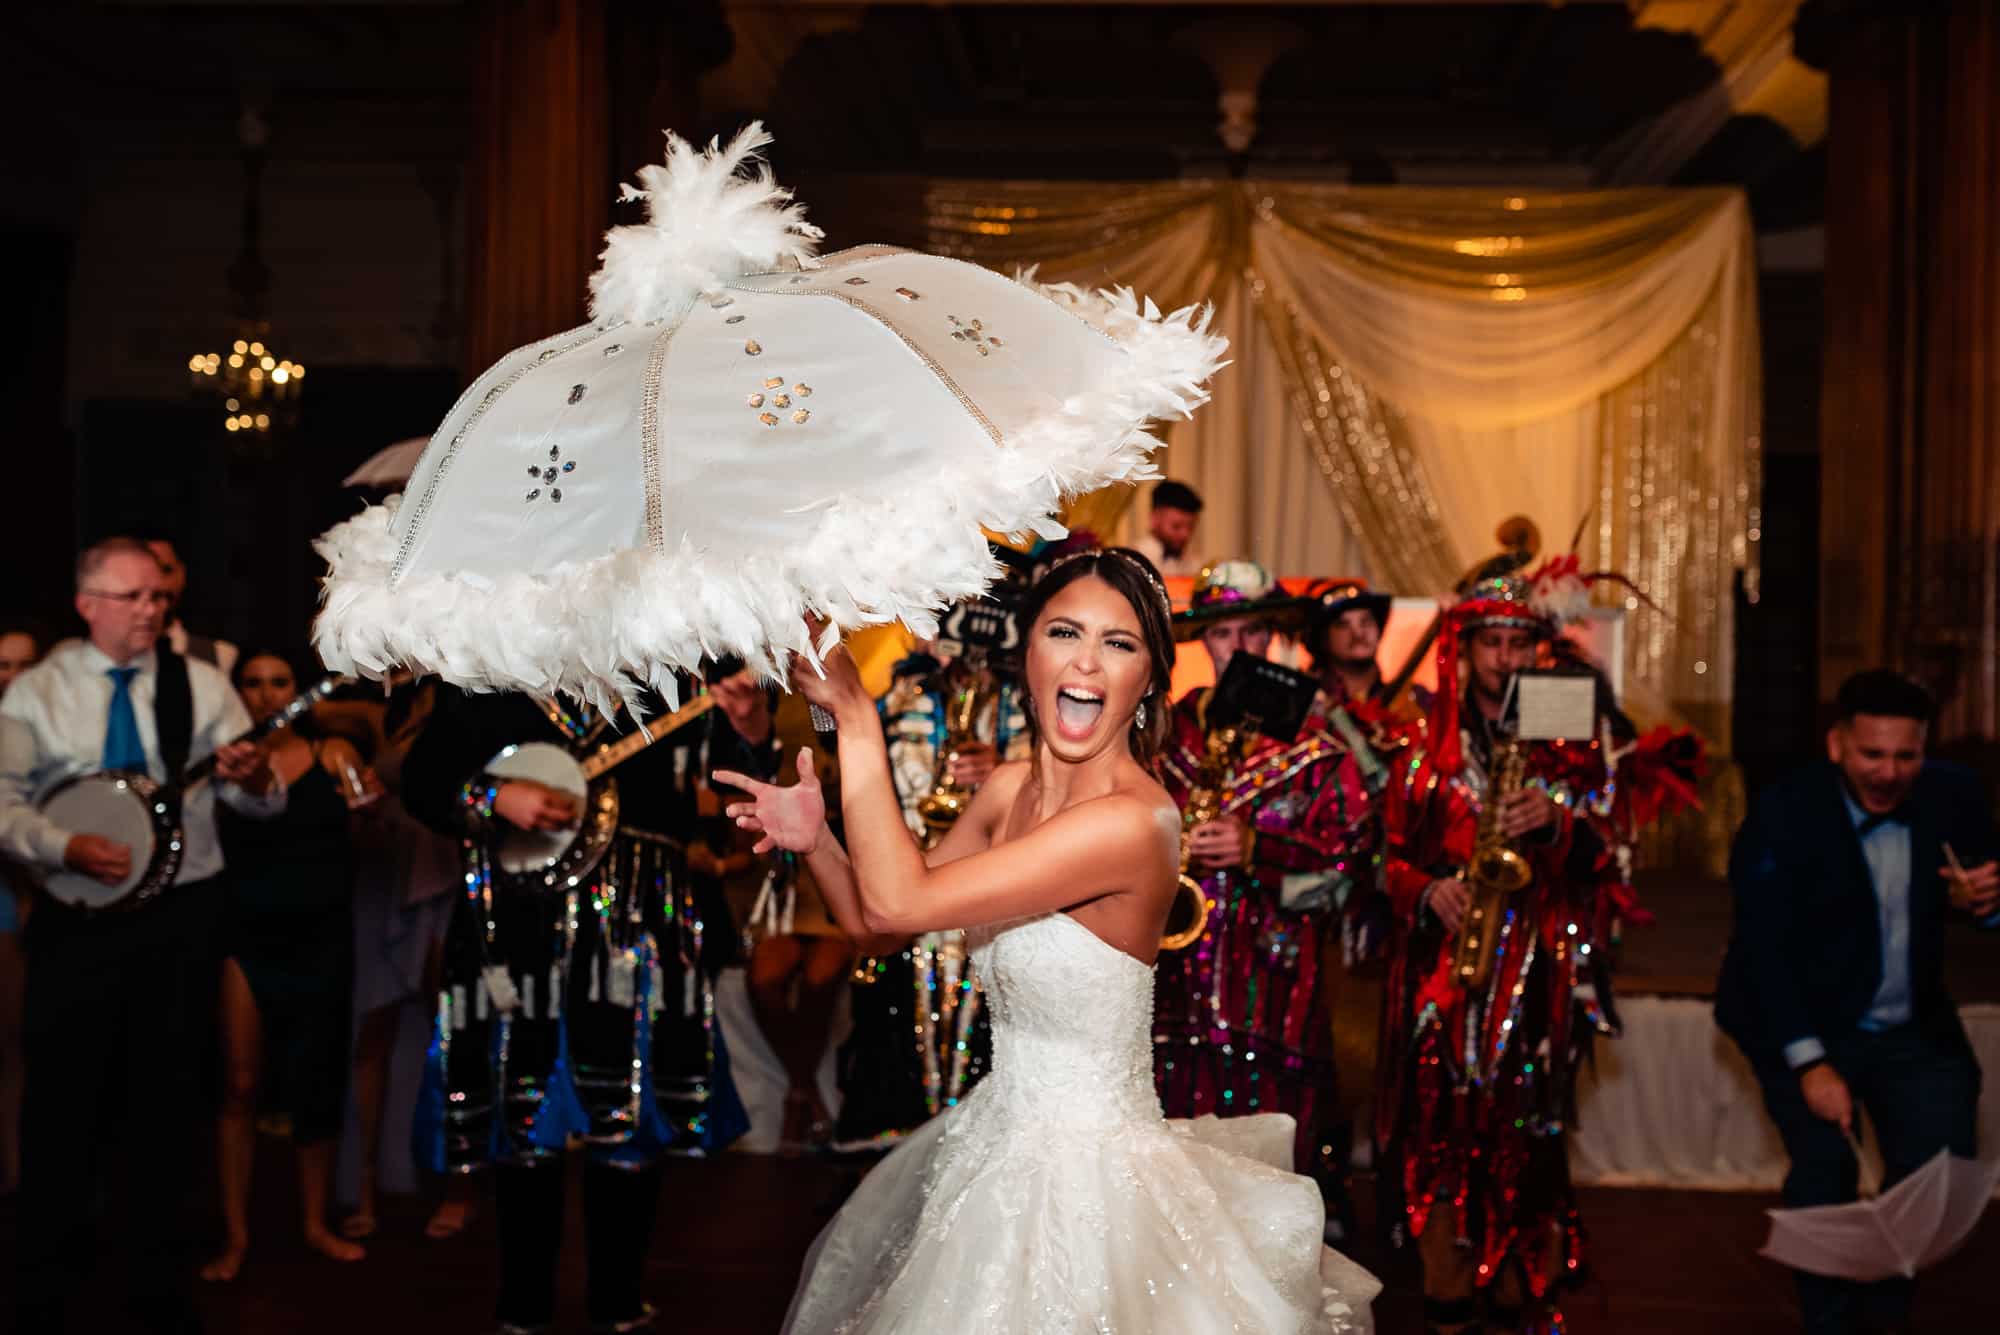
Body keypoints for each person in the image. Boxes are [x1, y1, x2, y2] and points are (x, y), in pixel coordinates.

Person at [722, 547, 1380, 1333]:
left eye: (1121, 643)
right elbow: (878, 923)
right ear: (1027, 653)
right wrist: (820, 840)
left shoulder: (1136, 823)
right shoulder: (1006, 789)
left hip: (1094, 1192)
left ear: (1147, 684)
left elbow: (903, 895)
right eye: (1066, 632)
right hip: (993, 1147)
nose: (1089, 663)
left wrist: (856, 717)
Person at [1375, 560, 1692, 1335]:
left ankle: (1519, 1292)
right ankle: (1447, 1293)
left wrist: (1556, 823)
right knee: (1439, 1135)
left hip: (1538, 969)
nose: (1507, 657)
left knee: (1529, 1139)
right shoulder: (1422, 744)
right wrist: (1425, 891)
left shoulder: (1572, 743)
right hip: (1444, 978)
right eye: (1493, 641)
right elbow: (1382, 859)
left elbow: (1611, 852)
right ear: (1466, 645)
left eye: (1521, 641)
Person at [2, 536, 281, 1334]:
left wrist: (254, 778)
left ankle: (156, 1289)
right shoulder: (39, 694)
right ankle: (46, 1289)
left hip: (180, 916)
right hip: (76, 920)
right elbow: (2, 796)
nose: (153, 610)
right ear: (88, 602)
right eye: (134, 598)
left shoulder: (200, 684)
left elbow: (258, 803)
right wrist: (64, 846)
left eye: (159, 597)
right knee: (62, 1105)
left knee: (165, 1107)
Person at [402, 682, 735, 1335]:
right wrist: (496, 795)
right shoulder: (486, 677)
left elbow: (735, 780)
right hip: (516, 934)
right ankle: (523, 1303)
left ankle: (619, 1298)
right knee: (524, 1114)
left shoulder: (676, 674)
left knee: (629, 1113)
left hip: (636, 931)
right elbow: (422, 780)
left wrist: (747, 728)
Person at [1716, 668, 1997, 1335]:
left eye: (1907, 755)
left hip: (1909, 1023)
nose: (1890, 772)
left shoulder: (1953, 795)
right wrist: (1811, 1063)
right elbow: (1764, 950)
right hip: (1799, 1017)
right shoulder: (1784, 810)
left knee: (1935, 1166)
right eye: (1873, 754)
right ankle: (1831, 1321)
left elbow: (1981, 884)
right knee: (1825, 1171)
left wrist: (1987, 901)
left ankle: (1885, 1312)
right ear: (1838, 745)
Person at [1153, 560, 1382, 1213]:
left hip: (1275, 1003)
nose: (1240, 648)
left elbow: (1354, 870)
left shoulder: (1316, 737)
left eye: (1253, 633)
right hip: (1174, 1001)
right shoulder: (1168, 730)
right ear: (1205, 642)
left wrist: (1261, 849)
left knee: (1269, 1188)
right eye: (1224, 634)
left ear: (1272, 639)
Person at [203, 652, 380, 1280]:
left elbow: (370, 838)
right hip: (245, 937)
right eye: (252, 683)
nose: (266, 694)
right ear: (237, 692)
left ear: (298, 691)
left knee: (317, 1080)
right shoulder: (222, 759)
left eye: (279, 682)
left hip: (322, 936)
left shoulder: (334, 752)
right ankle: (236, 1236)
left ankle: (313, 1222)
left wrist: (366, 808)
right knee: (240, 1085)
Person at [833, 619, 1031, 1149]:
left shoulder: (1025, 701)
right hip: (906, 883)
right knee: (891, 1024)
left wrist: (1009, 767)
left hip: (990, 899)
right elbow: (832, 734)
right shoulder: (899, 697)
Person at [332, 675, 466, 1242]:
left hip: (447, 874)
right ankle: (363, 1183)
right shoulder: (381, 710)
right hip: (385, 872)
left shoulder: (470, 699)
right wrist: (339, 757)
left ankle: (458, 1188)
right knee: (373, 1034)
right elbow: (315, 710)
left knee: (454, 1038)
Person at [699, 656, 851, 1154]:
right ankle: (804, 1085)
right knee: (766, 976)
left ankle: (799, 1094)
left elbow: (847, 760)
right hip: (776, 872)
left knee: (823, 974)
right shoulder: (746, 691)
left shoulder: (826, 691)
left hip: (833, 858)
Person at [0, 620, 42, 1196]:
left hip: (23, 900)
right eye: (1, 666)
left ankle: (15, 1184)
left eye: (23, 665)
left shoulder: (53, 730)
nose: (11, 677)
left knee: (15, 1046)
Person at [141, 533, 238, 675]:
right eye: (145, 573)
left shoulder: (222, 655)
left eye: (166, 570)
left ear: (181, 575)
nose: (158, 584)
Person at [1130, 478, 1204, 578]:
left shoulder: (1194, 566)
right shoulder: (1132, 561)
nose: (1185, 534)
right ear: (1154, 519)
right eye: (1176, 526)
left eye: (1191, 527)